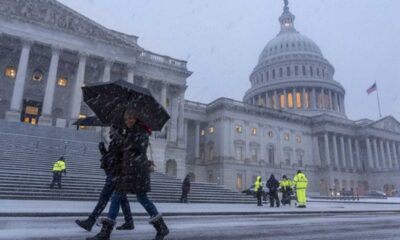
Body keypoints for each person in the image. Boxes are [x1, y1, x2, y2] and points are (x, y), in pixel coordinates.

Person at [87, 109, 169, 240]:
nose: (128, 121)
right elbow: (124, 151)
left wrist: (122, 138)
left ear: (136, 119)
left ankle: (161, 227)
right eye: (126, 119)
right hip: (127, 171)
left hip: (137, 171)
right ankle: (106, 232)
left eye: (131, 118)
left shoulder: (142, 132)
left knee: (141, 198)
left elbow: (138, 148)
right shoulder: (129, 132)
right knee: (119, 197)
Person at [75, 126, 133, 232]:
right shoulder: (116, 140)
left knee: (104, 198)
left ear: (116, 129)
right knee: (122, 199)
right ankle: (129, 221)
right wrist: (103, 150)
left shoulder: (118, 140)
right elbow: (111, 157)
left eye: (111, 128)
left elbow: (115, 158)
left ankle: (90, 221)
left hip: (115, 174)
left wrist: (106, 156)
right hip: (116, 173)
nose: (109, 130)